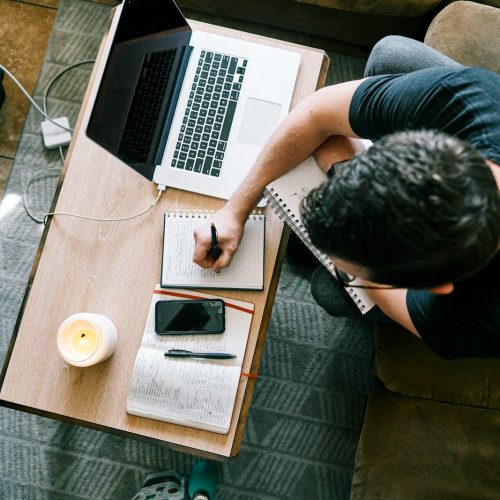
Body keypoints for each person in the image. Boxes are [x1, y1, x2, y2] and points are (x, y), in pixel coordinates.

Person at [192, 36, 500, 360]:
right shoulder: (470, 100)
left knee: (329, 291)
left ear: (437, 287)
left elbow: (389, 297)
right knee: (391, 55)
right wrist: (235, 209)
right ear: (411, 141)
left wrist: (352, 273)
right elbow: (317, 113)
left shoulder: (478, 319)